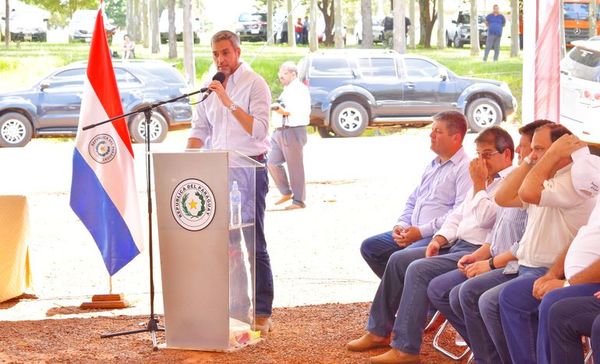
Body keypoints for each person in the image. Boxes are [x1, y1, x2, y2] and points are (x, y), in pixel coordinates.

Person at [347, 126, 515, 364]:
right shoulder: (481, 177)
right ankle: (378, 330)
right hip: (456, 243)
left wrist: (478, 185)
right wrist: (440, 238)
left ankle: (406, 348)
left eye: (487, 154)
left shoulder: (508, 181)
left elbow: (485, 218)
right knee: (397, 260)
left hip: (477, 250)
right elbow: (458, 214)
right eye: (479, 154)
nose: (481, 161)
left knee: (418, 269)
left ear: (507, 154)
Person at [427, 119, 550, 364]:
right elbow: (495, 231)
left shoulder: (534, 186)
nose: (521, 152)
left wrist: (491, 263)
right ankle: (487, 353)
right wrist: (480, 254)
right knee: (442, 290)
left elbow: (515, 239)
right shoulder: (514, 180)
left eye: (530, 148)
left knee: (472, 294)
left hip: (517, 263)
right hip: (491, 254)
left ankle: (492, 358)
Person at [186, 30, 274, 335]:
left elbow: (260, 132)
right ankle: (236, 308)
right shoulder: (209, 86)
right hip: (218, 173)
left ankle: (262, 310)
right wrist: (186, 162)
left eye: (225, 53)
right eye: (215, 54)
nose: (220, 59)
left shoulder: (255, 84)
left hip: (250, 171)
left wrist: (228, 102)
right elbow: (199, 128)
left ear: (238, 52)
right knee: (229, 245)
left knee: (253, 243)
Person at [494, 126, 598, 364]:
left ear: (561, 150)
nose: (532, 155)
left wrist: (564, 281)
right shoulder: (544, 177)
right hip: (540, 269)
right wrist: (534, 160)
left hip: (559, 273)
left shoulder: (576, 181)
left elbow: (529, 192)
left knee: (545, 304)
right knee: (480, 295)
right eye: (532, 150)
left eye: (539, 149)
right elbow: (502, 198)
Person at [360, 111, 472, 278]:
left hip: (436, 237)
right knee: (370, 247)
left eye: (438, 132)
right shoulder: (434, 164)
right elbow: (413, 200)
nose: (431, 135)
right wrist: (401, 225)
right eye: (432, 130)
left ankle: (401, 297)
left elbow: (458, 213)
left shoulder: (465, 168)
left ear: (455, 138)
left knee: (399, 260)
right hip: (412, 231)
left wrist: (420, 232)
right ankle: (402, 294)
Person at [535, 192, 600, 364]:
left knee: (553, 302)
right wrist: (552, 274)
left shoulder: (580, 184)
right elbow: (582, 236)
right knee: (559, 312)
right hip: (576, 280)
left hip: (589, 283)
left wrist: (566, 284)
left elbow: (527, 192)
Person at [267, 61, 311, 210]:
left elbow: (290, 110)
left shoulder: (299, 89)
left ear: (293, 74)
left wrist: (277, 108)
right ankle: (286, 192)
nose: (281, 76)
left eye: (284, 73)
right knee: (272, 162)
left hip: (293, 130)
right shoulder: (287, 89)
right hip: (280, 130)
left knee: (295, 167)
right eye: (280, 73)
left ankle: (299, 201)